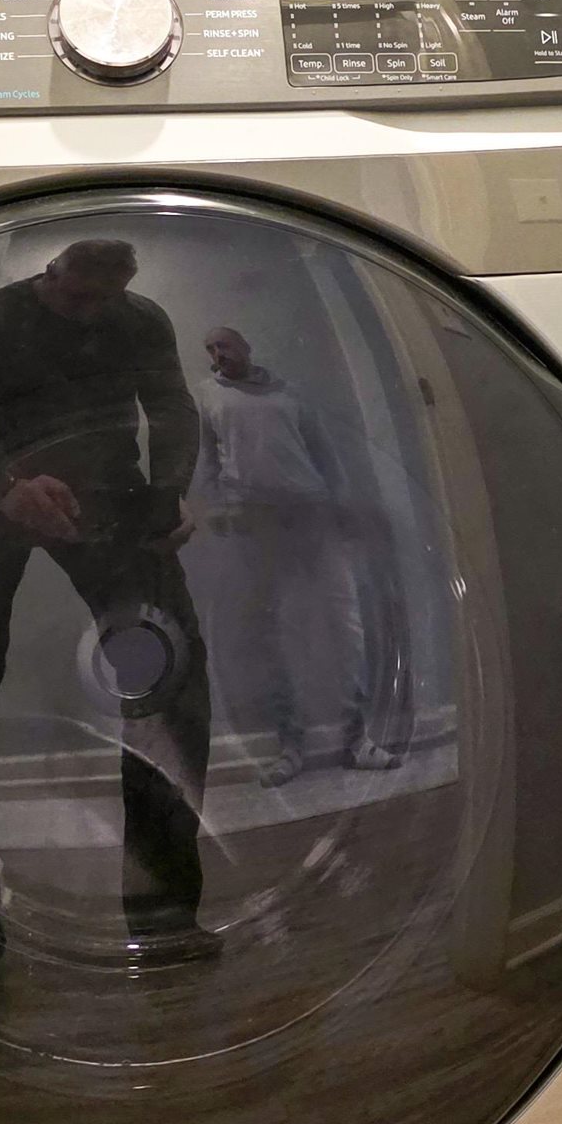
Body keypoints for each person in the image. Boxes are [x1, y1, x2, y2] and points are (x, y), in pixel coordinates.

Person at [0, 237, 217, 993]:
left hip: (106, 495)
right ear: (48, 275)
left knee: (170, 681)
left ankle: (163, 918)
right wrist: (6, 483)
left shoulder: (142, 320)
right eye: (76, 297)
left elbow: (172, 407)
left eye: (104, 302)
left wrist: (170, 492)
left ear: (124, 291)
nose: (88, 313)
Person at [194, 326, 385, 787]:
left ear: (246, 347)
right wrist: (216, 507)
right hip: (255, 522)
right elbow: (206, 461)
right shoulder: (207, 396)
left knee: (344, 621)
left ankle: (357, 740)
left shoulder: (288, 392)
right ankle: (290, 747)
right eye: (211, 349)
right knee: (267, 631)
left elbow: (325, 453)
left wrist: (342, 507)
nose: (218, 354)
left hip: (311, 514)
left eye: (225, 345)